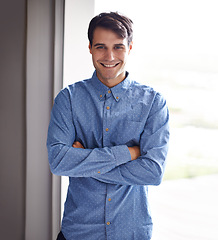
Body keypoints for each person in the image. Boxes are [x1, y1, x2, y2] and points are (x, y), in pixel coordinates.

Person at [47, 12, 170, 240]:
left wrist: (85, 160)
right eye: (101, 46)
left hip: (131, 231)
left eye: (118, 47)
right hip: (79, 232)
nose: (110, 56)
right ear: (90, 48)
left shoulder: (153, 102)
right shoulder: (68, 99)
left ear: (130, 48)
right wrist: (128, 153)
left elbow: (152, 172)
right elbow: (58, 161)